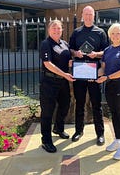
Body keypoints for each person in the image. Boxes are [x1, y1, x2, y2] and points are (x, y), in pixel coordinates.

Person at [69, 5, 109, 146]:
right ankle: (79, 131)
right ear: (82, 15)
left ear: (94, 16)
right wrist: (76, 53)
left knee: (96, 104)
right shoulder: (76, 32)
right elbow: (71, 50)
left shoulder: (100, 33)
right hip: (80, 72)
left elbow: (106, 52)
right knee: (79, 103)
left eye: (90, 14)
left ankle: (100, 134)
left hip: (94, 72)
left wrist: (96, 54)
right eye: (86, 14)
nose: (88, 16)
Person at [96, 23, 120, 160]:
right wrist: (95, 75)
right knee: (114, 114)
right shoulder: (107, 50)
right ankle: (117, 140)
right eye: (113, 33)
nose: (115, 36)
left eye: (118, 33)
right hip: (110, 86)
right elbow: (103, 69)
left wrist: (107, 77)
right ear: (109, 35)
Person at [39, 20, 75, 153]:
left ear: (62, 30)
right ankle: (46, 140)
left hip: (63, 82)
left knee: (65, 105)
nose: (56, 30)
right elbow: (48, 64)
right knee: (47, 111)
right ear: (49, 30)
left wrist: (71, 64)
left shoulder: (64, 43)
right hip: (49, 82)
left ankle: (58, 128)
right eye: (54, 28)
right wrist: (65, 74)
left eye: (59, 28)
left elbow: (67, 60)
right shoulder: (46, 44)